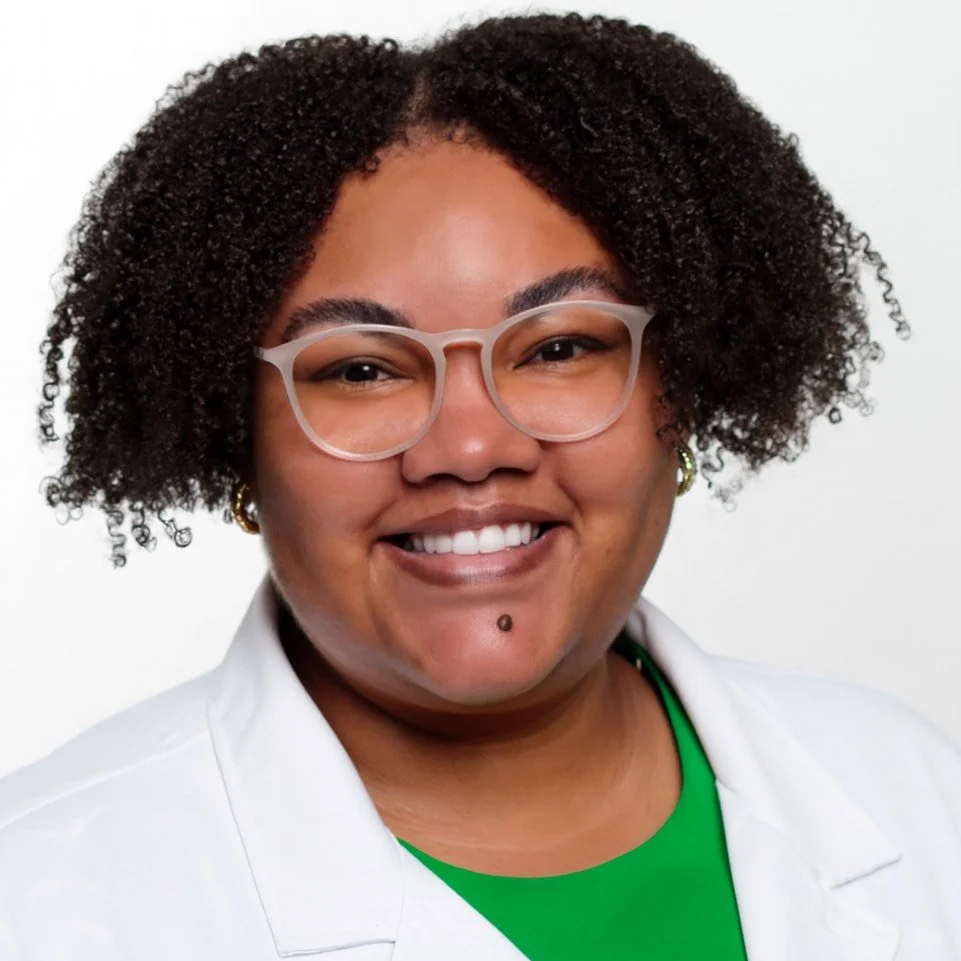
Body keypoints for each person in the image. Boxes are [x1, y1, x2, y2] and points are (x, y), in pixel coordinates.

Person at [1, 10, 958, 960]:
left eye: (559, 347)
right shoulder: (42, 901)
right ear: (231, 435)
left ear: (684, 393)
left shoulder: (913, 791)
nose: (468, 446)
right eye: (361, 369)